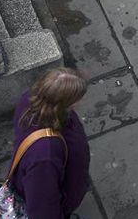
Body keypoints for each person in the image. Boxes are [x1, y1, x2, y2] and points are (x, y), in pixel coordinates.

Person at [11, 67, 90, 219]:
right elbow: (43, 206)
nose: (81, 101)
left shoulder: (29, 99)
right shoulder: (45, 155)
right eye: (76, 98)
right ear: (63, 103)